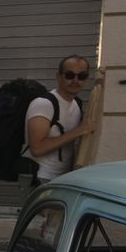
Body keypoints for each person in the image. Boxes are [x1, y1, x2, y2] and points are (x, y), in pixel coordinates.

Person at [24, 54, 95, 183]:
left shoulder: (76, 104)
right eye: (69, 75)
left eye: (82, 76)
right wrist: (78, 131)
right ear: (58, 77)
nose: (75, 80)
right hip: (40, 177)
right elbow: (37, 148)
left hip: (62, 177)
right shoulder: (44, 104)